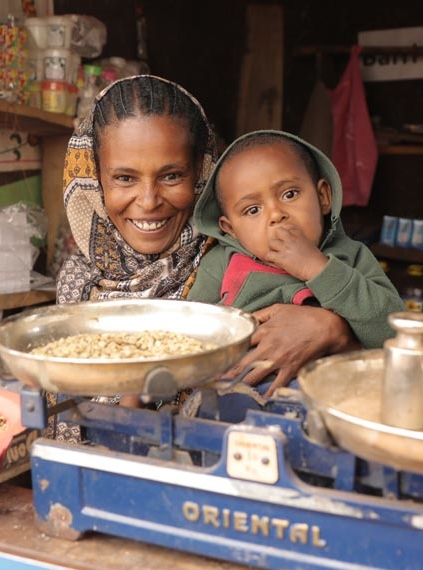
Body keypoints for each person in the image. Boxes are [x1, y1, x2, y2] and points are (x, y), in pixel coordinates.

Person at [56, 76, 358, 394]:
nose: (148, 200)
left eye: (171, 175)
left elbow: (376, 357)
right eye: (125, 178)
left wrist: (333, 328)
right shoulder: (78, 281)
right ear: (95, 180)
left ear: (201, 173)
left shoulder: (245, 252)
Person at [189, 130, 404, 349]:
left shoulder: (352, 256)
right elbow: (190, 334)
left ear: (323, 197)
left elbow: (395, 335)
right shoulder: (221, 262)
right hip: (236, 380)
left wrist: (318, 268)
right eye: (253, 210)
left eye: (289, 194)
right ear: (231, 229)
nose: (275, 214)